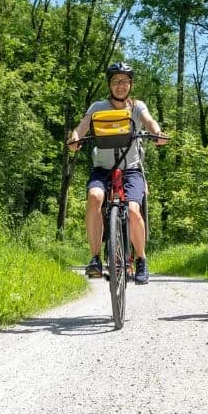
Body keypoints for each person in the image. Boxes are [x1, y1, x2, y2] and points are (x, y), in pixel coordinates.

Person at [68, 62, 167, 285]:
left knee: (133, 209)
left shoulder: (137, 106)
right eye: (116, 81)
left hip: (131, 170)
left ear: (131, 84)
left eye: (125, 81)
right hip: (102, 169)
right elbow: (82, 127)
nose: (120, 86)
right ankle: (95, 258)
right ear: (109, 85)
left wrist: (158, 133)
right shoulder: (97, 107)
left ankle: (141, 259)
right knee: (94, 197)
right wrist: (74, 137)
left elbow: (150, 122)